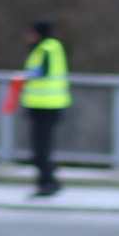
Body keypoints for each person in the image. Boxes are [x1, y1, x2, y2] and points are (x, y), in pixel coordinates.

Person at [21, 20, 70, 197]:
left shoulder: (46, 48)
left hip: (45, 105)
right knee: (43, 147)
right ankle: (50, 180)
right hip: (46, 104)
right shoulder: (51, 47)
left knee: (41, 148)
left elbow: (42, 71)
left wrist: (24, 76)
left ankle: (47, 183)